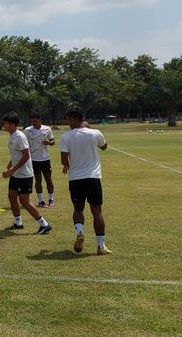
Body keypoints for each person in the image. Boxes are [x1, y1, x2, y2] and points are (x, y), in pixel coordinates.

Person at [60, 106, 112, 256]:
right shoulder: (95, 133)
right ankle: (101, 247)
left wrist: (67, 165)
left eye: (69, 119)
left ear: (75, 119)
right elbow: (104, 147)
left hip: (76, 178)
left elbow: (64, 160)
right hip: (93, 177)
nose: (68, 122)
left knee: (78, 209)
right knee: (97, 211)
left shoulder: (66, 137)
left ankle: (80, 232)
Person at [2, 112, 52, 234]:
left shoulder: (19, 137)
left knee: (24, 201)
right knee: (12, 195)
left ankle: (44, 224)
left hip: (24, 174)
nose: (3, 125)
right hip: (16, 174)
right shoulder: (12, 136)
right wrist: (8, 168)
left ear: (12, 124)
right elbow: (15, 156)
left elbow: (25, 156)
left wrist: (12, 170)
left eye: (5, 123)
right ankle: (18, 222)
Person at [24, 113, 56, 207]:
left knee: (48, 179)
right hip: (34, 159)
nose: (33, 123)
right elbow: (23, 142)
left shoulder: (47, 129)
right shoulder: (27, 130)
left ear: (40, 120)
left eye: (35, 121)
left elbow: (53, 141)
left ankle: (51, 199)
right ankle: (41, 200)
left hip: (45, 159)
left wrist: (49, 142)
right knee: (38, 180)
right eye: (32, 121)